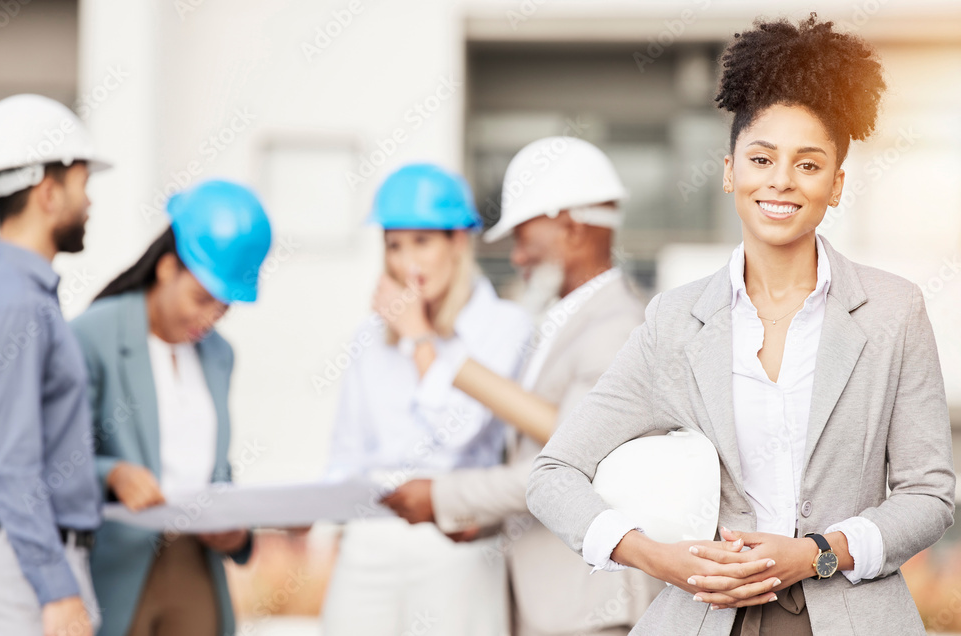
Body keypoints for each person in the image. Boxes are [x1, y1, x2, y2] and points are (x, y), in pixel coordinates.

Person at [527, 14, 955, 636]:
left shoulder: (894, 311)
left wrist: (815, 552)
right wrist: (661, 559)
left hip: (851, 616)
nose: (781, 180)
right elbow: (554, 475)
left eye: (808, 165)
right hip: (706, 615)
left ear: (836, 185)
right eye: (761, 158)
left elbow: (928, 495)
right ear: (730, 171)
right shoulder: (674, 322)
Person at [383, 137, 664, 635]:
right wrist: (483, 521)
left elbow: (565, 468)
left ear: (571, 228)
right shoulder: (565, 323)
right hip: (551, 603)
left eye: (525, 238)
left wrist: (445, 497)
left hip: (587, 608)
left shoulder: (614, 328)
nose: (516, 257)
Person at [321, 163, 533, 635]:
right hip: (370, 536)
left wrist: (419, 337)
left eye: (422, 241)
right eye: (395, 245)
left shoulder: (505, 328)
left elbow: (460, 430)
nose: (405, 262)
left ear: (458, 242)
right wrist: (326, 522)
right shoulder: (369, 337)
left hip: (454, 537)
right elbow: (348, 451)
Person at [70, 180, 272, 636]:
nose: (209, 320)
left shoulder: (219, 354)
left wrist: (237, 531)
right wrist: (113, 475)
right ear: (166, 268)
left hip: (195, 562)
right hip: (115, 559)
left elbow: (215, 468)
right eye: (202, 299)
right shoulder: (91, 335)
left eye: (224, 308)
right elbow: (52, 457)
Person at [0, 94, 111, 636]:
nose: (90, 202)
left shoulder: (19, 298)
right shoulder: (15, 305)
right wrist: (57, 588)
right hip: (19, 570)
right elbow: (5, 462)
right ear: (48, 192)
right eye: (82, 186)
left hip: (13, 558)